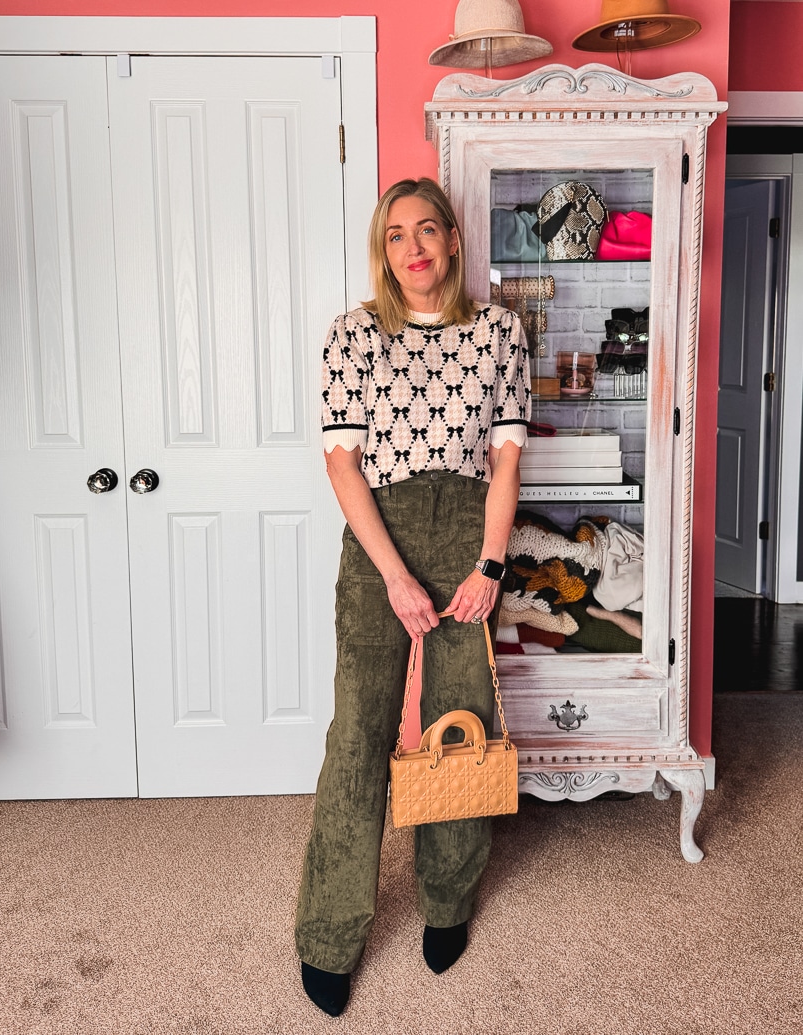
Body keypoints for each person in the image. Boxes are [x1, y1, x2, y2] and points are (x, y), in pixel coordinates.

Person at [294, 177, 530, 1016]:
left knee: (459, 724)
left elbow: (506, 460)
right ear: (383, 249)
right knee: (358, 728)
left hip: (469, 528)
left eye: (428, 229)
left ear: (454, 240)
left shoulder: (500, 330)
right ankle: (328, 933)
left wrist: (490, 566)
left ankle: (447, 901)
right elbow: (341, 466)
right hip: (379, 535)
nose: (413, 246)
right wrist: (392, 573)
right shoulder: (354, 334)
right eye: (396, 235)